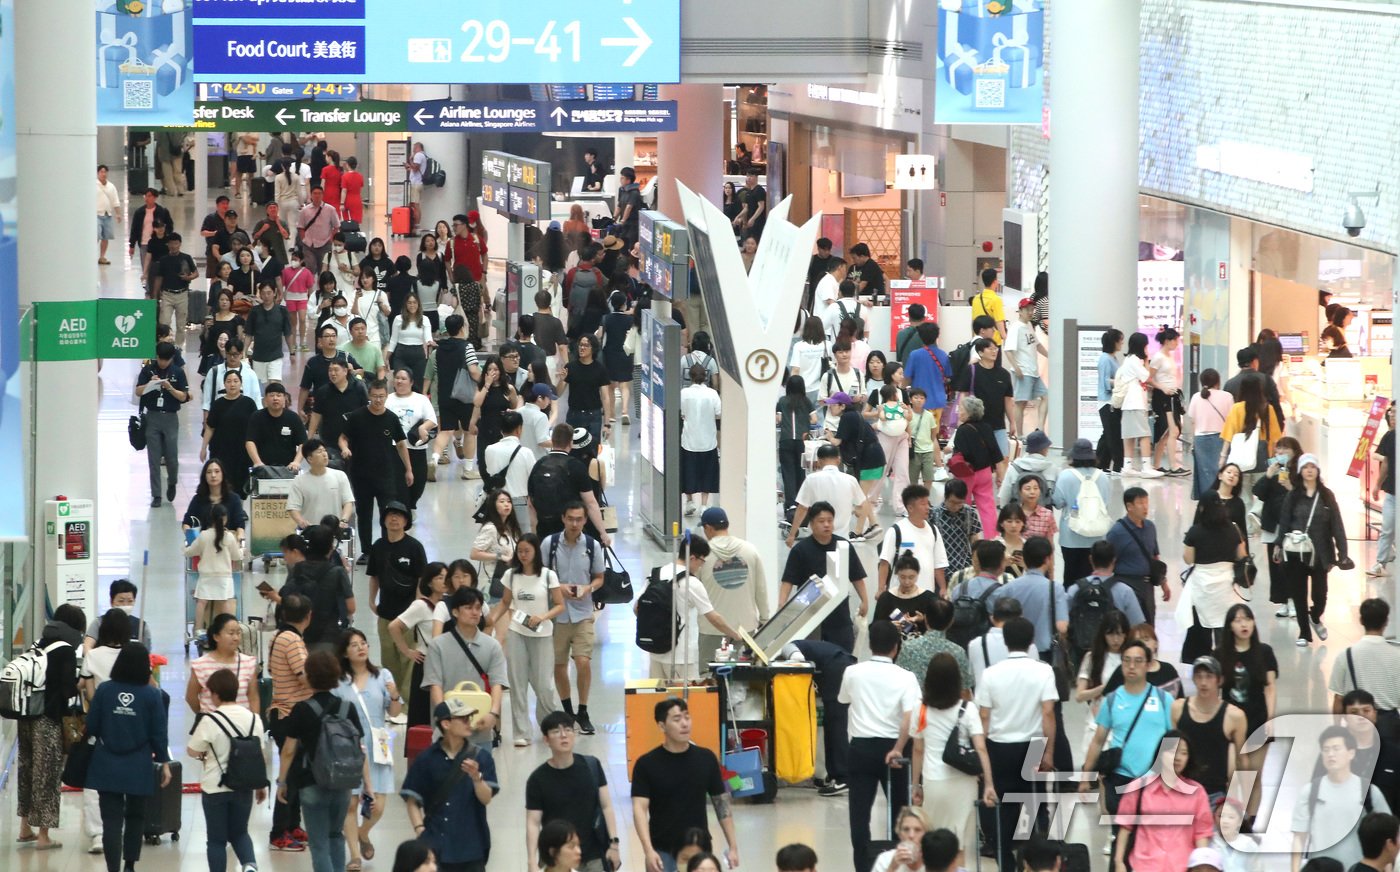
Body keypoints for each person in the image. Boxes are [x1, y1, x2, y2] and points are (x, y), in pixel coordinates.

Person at [276, 651, 376, 872]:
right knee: (335, 836)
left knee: (318, 843)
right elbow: (360, 748)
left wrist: (282, 782)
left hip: (311, 783)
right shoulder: (346, 708)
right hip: (343, 782)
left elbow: (288, 751)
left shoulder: (302, 709)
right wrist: (367, 784)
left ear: (309, 677)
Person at [975, 616, 1058, 872]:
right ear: (1031, 641)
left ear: (1006, 642)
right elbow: (1047, 713)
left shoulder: (990, 674)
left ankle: (1007, 866)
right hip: (1033, 747)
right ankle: (1034, 864)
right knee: (1034, 810)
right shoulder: (1043, 670)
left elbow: (984, 717)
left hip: (999, 747)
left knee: (1001, 813)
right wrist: (1049, 752)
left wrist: (982, 758)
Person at [838, 620, 920, 872]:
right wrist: (899, 746)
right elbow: (911, 717)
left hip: (861, 748)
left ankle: (863, 867)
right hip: (895, 750)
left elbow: (844, 699)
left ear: (870, 645)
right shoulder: (907, 677)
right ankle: (900, 863)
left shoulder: (853, 672)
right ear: (896, 647)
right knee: (900, 813)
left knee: (859, 815)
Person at [86, 643, 172, 872]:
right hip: (138, 763)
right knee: (135, 817)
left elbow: (92, 725)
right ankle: (130, 865)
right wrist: (164, 762)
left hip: (106, 762)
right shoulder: (151, 695)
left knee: (111, 822)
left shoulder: (105, 690)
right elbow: (159, 733)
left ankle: (112, 868)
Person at [632, 698, 739, 872]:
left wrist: (733, 846)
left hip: (699, 850)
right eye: (676, 719)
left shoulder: (706, 759)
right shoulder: (647, 764)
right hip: (663, 850)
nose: (684, 724)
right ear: (661, 726)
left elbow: (721, 804)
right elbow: (639, 809)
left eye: (687, 717)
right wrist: (648, 850)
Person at [911, 652, 998, 854]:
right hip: (963, 782)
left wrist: (916, 784)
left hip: (933, 780)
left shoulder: (921, 709)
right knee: (959, 844)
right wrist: (989, 785)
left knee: (932, 841)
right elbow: (981, 748)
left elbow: (917, 750)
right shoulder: (968, 709)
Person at [14, 604, 84, 850]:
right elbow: (65, 689)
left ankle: (25, 827)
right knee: (47, 775)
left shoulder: (39, 642)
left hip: (26, 716)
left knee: (28, 771)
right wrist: (79, 686)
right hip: (48, 719)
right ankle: (43, 836)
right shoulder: (64, 650)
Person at [486, 535, 565, 744]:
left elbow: (559, 604)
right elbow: (505, 602)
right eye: (519, 551)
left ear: (535, 552)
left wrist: (543, 617)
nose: (522, 555)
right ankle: (521, 733)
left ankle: (549, 725)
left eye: (527, 551)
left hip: (543, 634)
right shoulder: (511, 575)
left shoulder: (548, 576)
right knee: (517, 683)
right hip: (516, 632)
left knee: (544, 685)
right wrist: (491, 619)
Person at [187, 668, 267, 872]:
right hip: (244, 785)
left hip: (215, 787)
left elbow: (192, 750)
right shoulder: (254, 719)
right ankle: (250, 866)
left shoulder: (210, 720)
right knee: (240, 833)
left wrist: (206, 754)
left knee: (216, 840)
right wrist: (260, 784)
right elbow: (259, 752)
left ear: (215, 693)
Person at [334, 629, 400, 871]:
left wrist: (394, 696)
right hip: (348, 745)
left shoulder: (382, 675)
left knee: (378, 805)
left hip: (378, 743)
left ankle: (363, 832)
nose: (361, 648)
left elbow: (394, 714)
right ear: (344, 652)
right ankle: (354, 855)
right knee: (350, 803)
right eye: (354, 645)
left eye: (363, 643)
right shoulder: (337, 680)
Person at [526, 710, 622, 872]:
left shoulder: (591, 766)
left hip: (594, 854)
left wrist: (614, 845)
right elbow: (533, 822)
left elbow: (606, 806)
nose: (564, 735)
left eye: (568, 729)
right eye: (556, 731)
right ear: (546, 740)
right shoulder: (538, 779)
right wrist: (531, 861)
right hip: (559, 859)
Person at [542, 503, 607, 734]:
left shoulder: (592, 546)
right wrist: (559, 586)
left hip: (582, 613)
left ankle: (584, 709)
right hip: (557, 615)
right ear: (563, 518)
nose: (575, 524)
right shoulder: (549, 544)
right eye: (570, 519)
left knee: (583, 661)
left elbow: (600, 577)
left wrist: (588, 588)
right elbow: (541, 576)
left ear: (584, 520)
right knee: (559, 664)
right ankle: (568, 710)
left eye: (579, 519)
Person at [1292, 725, 1392, 871]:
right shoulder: (1310, 792)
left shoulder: (1369, 792)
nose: (1330, 754)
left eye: (1336, 749)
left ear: (1351, 753)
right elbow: (1298, 838)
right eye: (1326, 750)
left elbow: (1386, 837)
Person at [1111, 731, 1215, 872]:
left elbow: (1202, 833)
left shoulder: (1197, 792)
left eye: (1184, 753)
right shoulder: (1138, 788)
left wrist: (1202, 866)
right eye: (1172, 751)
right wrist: (1119, 863)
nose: (1178, 758)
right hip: (1144, 866)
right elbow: (1125, 828)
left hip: (1182, 866)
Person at [1275, 453, 1350, 645]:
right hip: (1296, 552)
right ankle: (1304, 633)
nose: (1309, 470)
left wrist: (1343, 552)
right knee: (1299, 593)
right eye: (1305, 467)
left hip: (1321, 553)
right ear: (1300, 471)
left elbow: (1337, 524)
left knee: (1321, 594)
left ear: (1318, 470)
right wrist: (1277, 545)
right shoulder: (1293, 496)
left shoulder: (1326, 495)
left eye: (1313, 467)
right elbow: (1284, 522)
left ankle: (1315, 616)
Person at [781, 501, 870, 653]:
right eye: (821, 521)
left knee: (843, 656)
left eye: (830, 520)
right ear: (811, 524)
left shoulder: (843, 546)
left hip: (839, 616)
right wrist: (781, 607)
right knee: (809, 658)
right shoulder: (800, 550)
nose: (827, 525)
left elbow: (856, 576)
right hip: (809, 614)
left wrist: (865, 600)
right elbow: (787, 581)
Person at [422, 586, 506, 747]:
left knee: (480, 770)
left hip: (480, 726)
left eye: (477, 608)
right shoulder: (438, 646)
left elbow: (497, 683)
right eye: (468, 608)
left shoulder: (492, 646)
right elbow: (435, 684)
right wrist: (444, 716)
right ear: (455, 612)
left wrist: (493, 714)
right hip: (447, 729)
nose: (474, 612)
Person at [1215, 604, 1277, 820]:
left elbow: (1270, 687)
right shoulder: (1220, 654)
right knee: (1232, 772)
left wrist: (1270, 719)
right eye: (1237, 620)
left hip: (1258, 720)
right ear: (1230, 626)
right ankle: (1229, 812)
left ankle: (1250, 819)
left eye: (1247, 619)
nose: (1243, 624)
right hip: (1230, 723)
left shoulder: (1264, 652)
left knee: (1254, 774)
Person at [340, 379, 413, 552]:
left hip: (386, 475)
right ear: (369, 396)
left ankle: (386, 548)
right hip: (361, 475)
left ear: (387, 396)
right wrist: (344, 448)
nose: (378, 400)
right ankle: (366, 551)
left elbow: (402, 444)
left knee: (387, 513)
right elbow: (343, 437)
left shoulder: (391, 418)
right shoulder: (357, 416)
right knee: (364, 515)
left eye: (381, 396)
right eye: (374, 396)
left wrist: (408, 469)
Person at [266, 592, 313, 850]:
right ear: (309, 616)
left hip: (282, 712)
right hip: (290, 715)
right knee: (290, 775)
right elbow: (304, 676)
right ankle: (279, 831)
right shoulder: (292, 640)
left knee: (296, 773)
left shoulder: (277, 637)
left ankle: (293, 824)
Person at [1179, 491, 1248, 662]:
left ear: (1201, 508)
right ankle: (1226, 665)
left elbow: (1188, 559)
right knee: (1224, 627)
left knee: (1201, 626)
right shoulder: (1233, 529)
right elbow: (1241, 555)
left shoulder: (1195, 531)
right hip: (1227, 585)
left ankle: (1203, 665)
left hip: (1202, 585)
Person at [1171, 655, 1249, 803]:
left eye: (1209, 676)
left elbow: (1242, 760)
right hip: (1181, 790)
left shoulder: (1234, 716)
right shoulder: (1178, 709)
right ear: (1193, 679)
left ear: (1219, 680)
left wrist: (1244, 800)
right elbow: (1169, 751)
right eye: (1199, 676)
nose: (1203, 682)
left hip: (1215, 793)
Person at [694, 507, 769, 659]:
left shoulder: (702, 556)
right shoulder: (750, 550)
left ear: (708, 528)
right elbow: (761, 589)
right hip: (745, 628)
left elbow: (693, 589)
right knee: (743, 677)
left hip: (711, 628)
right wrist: (764, 619)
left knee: (711, 676)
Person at [279, 524, 356, 651]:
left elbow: (288, 600)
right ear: (330, 548)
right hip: (329, 637)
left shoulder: (297, 569)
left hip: (300, 637)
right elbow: (351, 607)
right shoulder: (337, 572)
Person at [135, 341, 190, 507]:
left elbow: (184, 396)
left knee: (172, 456)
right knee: (153, 458)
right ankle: (156, 495)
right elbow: (138, 391)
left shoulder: (178, 372)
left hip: (170, 417)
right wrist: (150, 385)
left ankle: (172, 481)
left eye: (166, 360)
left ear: (172, 358)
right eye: (160, 359)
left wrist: (170, 388)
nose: (163, 363)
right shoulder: (148, 370)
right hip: (152, 416)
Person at [1051, 439, 1112, 583]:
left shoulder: (1065, 476)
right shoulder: (1102, 476)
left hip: (1070, 536)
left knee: (1071, 576)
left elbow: (1058, 503)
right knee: (1093, 577)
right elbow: (1105, 503)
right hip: (1096, 536)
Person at [787, 443, 874, 544]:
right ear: (838, 460)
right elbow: (864, 505)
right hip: (842, 540)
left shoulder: (811, 479)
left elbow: (802, 508)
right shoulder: (850, 480)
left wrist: (792, 535)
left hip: (816, 539)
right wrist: (857, 525)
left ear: (819, 461)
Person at [1254, 435, 1302, 616]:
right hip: (1273, 524)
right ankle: (1282, 600)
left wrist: (1289, 485)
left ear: (1295, 451)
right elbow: (1258, 492)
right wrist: (1268, 476)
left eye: (1285, 449)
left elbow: (1305, 498)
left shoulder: (1301, 470)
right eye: (1278, 449)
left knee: (1292, 565)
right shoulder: (1273, 469)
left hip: (1292, 526)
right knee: (1276, 566)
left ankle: (1294, 600)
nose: (1280, 453)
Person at [1105, 486, 1168, 624]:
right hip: (1126, 584)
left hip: (1147, 586)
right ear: (1129, 506)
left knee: (1149, 626)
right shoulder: (1117, 532)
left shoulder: (1150, 527)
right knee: (1130, 626)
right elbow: (1108, 562)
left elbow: (1154, 556)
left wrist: (1163, 582)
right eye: (1140, 503)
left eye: (1146, 502)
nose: (1145, 507)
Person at [953, 338, 1016, 469]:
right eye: (990, 348)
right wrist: (961, 416)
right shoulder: (971, 370)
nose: (994, 351)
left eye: (996, 348)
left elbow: (1008, 400)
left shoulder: (1004, 374)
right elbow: (963, 395)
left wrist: (1013, 422)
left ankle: (1000, 486)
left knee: (1003, 459)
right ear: (980, 353)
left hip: (998, 423)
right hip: (977, 424)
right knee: (980, 461)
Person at [1330, 599, 1400, 716]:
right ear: (1386, 621)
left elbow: (1338, 699)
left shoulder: (1345, 656)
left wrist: (1337, 728)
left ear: (1361, 620)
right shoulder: (1397, 655)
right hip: (1390, 726)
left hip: (1358, 721)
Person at [877, 485, 948, 595]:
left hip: (926, 596)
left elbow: (938, 565)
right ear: (910, 508)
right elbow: (884, 563)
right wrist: (881, 589)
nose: (927, 507)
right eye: (923, 504)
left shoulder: (934, 530)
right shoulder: (896, 531)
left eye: (928, 503)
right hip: (900, 595)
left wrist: (943, 588)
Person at [184, 504, 243, 637]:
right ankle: (227, 630)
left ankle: (198, 629)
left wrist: (184, 548)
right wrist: (242, 550)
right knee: (225, 602)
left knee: (202, 601)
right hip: (224, 577)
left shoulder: (204, 535)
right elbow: (236, 556)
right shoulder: (229, 537)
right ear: (225, 519)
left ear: (211, 518)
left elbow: (190, 551)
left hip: (206, 576)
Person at [187, 614, 261, 716]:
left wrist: (254, 722)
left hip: (242, 728)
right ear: (216, 636)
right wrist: (205, 715)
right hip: (212, 727)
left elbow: (253, 697)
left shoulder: (248, 663)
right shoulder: (200, 665)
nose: (236, 638)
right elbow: (191, 697)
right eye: (231, 633)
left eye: (238, 633)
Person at [1114, 331, 1162, 478]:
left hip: (1129, 404)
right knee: (1144, 435)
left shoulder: (1128, 360)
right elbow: (1147, 376)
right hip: (1135, 403)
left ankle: (1127, 466)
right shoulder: (1135, 360)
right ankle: (1146, 467)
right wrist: (1147, 360)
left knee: (1129, 436)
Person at [1221, 372, 1284, 475]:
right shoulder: (1268, 409)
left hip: (1241, 461)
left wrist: (1223, 457)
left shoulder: (1236, 408)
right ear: (1260, 389)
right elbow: (1275, 438)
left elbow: (1228, 436)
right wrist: (1275, 459)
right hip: (1262, 460)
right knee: (1260, 489)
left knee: (1243, 489)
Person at [1187, 368, 1235, 499]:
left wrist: (1192, 441)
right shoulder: (1227, 396)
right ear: (1218, 382)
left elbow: (1193, 421)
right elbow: (1231, 420)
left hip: (1200, 440)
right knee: (1221, 471)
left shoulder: (1196, 397)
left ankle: (1207, 500)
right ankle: (1222, 497)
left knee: (1204, 474)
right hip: (1221, 438)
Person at [681, 363, 722, 514]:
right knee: (707, 472)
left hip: (689, 440)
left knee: (688, 471)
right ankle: (704, 504)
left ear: (690, 377)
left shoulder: (684, 393)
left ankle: (690, 501)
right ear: (706, 377)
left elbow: (682, 412)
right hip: (708, 440)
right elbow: (719, 412)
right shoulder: (712, 394)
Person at [287, 439, 354, 529]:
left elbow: (348, 502)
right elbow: (293, 507)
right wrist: (301, 522)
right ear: (310, 458)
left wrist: (343, 520)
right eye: (319, 452)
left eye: (324, 450)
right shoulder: (299, 481)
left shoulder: (340, 476)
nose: (325, 454)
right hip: (311, 531)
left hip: (334, 530)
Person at [559, 334, 610, 447]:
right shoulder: (570, 367)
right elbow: (558, 393)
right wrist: (561, 380)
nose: (582, 348)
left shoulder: (600, 369)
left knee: (592, 451)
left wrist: (607, 424)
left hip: (593, 416)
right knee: (573, 450)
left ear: (593, 349)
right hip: (574, 414)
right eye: (580, 345)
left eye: (586, 345)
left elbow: (605, 397)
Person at [1007, 298, 1048, 433]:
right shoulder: (1016, 328)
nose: (1030, 312)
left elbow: (1037, 345)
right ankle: (1019, 434)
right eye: (1027, 310)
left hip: (1033, 371)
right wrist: (1016, 367)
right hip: (1023, 372)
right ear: (1020, 311)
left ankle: (1040, 428)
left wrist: (1050, 356)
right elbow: (1008, 350)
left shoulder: (1029, 326)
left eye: (1032, 310)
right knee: (1021, 403)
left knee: (1046, 397)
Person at [1148, 327, 1186, 474]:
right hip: (1163, 397)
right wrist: (1162, 388)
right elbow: (1149, 378)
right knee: (1173, 430)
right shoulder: (1158, 357)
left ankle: (1156, 465)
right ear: (1167, 341)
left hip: (1171, 396)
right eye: (1175, 340)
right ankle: (1173, 466)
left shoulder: (1168, 357)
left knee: (1166, 433)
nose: (1177, 343)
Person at [246, 383, 306, 473]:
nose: (275, 398)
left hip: (288, 469)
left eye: (279, 395)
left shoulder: (293, 418)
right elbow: (250, 442)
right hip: (263, 468)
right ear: (265, 399)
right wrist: (257, 462)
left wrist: (296, 462)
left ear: (284, 398)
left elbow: (303, 443)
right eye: (271, 395)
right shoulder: (256, 417)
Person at [933, 478, 983, 578]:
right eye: (952, 502)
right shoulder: (933, 514)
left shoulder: (970, 513)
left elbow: (975, 540)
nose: (956, 506)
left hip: (965, 568)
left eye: (959, 503)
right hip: (941, 569)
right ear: (945, 497)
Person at [997, 428, 1059, 506]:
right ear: (1045, 449)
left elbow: (1004, 496)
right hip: (1043, 515)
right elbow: (1057, 502)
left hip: (1018, 515)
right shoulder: (1052, 469)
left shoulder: (1014, 467)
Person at [868, 807, 930, 872]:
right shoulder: (885, 860)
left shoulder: (935, 860)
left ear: (926, 834)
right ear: (899, 834)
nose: (911, 835)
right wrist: (892, 868)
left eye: (917, 830)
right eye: (906, 829)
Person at [970, 267, 1007, 344]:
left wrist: (973, 337)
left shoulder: (976, 298)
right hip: (993, 341)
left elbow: (973, 321)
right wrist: (1005, 337)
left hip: (978, 340)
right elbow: (999, 322)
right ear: (995, 281)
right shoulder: (996, 299)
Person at [96, 164, 123, 265]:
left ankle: (102, 256)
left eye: (105, 172)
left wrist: (118, 213)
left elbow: (115, 201)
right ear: (98, 173)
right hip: (97, 214)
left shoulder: (111, 186)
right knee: (96, 235)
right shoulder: (93, 185)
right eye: (101, 172)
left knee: (105, 237)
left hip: (107, 214)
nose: (103, 174)